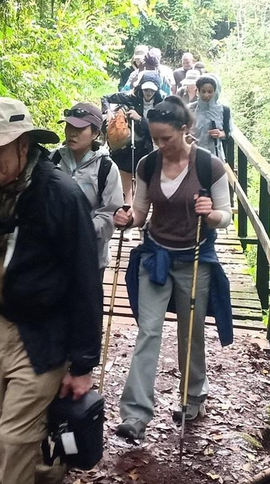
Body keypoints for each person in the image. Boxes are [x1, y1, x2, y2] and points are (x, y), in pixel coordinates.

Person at [0, 97, 103, 484]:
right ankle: (47, 469)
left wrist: (82, 364)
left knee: (13, 440)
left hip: (45, 330)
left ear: (23, 145)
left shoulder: (61, 195)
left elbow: (85, 282)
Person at [112, 96, 233, 441]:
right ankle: (135, 415)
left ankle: (192, 397)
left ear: (185, 129)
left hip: (195, 260)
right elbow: (139, 212)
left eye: (166, 138)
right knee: (148, 332)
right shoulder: (148, 165)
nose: (160, 145)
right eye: (155, 138)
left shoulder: (209, 166)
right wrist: (126, 219)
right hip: (155, 258)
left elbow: (225, 216)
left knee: (190, 334)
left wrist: (210, 213)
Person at [50, 103, 124, 281]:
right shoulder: (52, 160)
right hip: (52, 255)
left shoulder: (106, 168)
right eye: (69, 126)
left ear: (95, 133)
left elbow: (109, 214)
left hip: (90, 256)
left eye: (79, 128)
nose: (72, 133)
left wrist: (80, 231)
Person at [102, 74, 166, 238]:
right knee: (128, 188)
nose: (148, 92)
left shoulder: (162, 103)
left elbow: (155, 129)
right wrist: (108, 111)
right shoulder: (130, 98)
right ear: (141, 87)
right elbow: (106, 97)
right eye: (146, 89)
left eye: (152, 89)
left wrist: (140, 119)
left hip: (148, 150)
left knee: (143, 188)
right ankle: (129, 223)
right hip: (127, 149)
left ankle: (144, 224)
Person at [192, 75, 235, 161]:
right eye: (203, 91)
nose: (206, 95)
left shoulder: (224, 110)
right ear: (198, 91)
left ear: (215, 91)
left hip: (216, 155)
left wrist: (221, 134)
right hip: (193, 155)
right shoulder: (190, 109)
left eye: (210, 91)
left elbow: (229, 131)